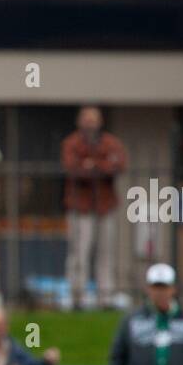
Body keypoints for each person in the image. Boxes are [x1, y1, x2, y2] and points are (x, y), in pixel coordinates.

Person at [61, 105, 128, 310]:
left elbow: (120, 164)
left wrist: (93, 165)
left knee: (106, 254)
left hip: (105, 207)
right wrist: (100, 166)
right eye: (86, 119)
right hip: (80, 208)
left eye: (94, 119)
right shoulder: (71, 143)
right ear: (79, 122)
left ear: (100, 122)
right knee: (79, 254)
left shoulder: (111, 142)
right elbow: (73, 169)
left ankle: (105, 297)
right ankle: (77, 297)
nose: (90, 123)